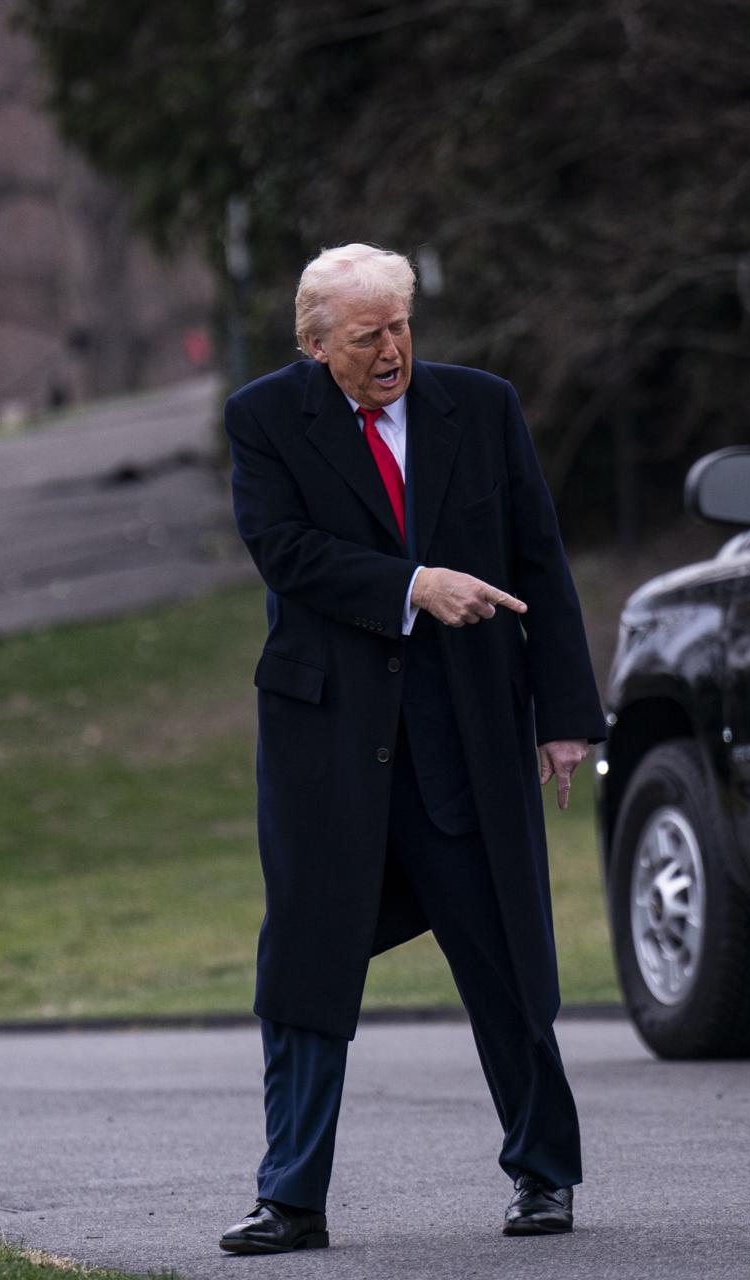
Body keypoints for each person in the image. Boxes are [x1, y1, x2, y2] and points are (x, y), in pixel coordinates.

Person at [216, 243, 605, 1253]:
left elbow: (539, 559)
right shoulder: (265, 420)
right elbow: (285, 552)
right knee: (305, 969)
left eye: (402, 327)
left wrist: (565, 712)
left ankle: (545, 1173)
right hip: (328, 749)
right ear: (315, 347)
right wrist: (413, 582)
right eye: (367, 336)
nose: (393, 351)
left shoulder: (480, 407)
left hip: (462, 741)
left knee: (506, 960)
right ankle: (290, 1195)